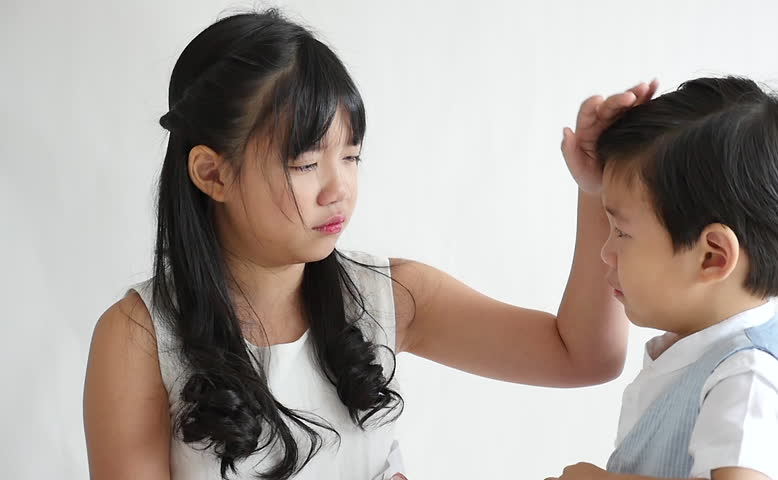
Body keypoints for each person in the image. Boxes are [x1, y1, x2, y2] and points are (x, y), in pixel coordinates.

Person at [82, 9, 651, 480]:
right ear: (212, 174)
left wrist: (597, 191)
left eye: (351, 156)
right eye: (305, 163)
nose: (340, 189)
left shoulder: (389, 296)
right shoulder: (137, 337)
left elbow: (585, 356)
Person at [549, 76, 778, 480]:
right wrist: (596, 184)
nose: (605, 252)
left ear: (712, 257)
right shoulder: (707, 358)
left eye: (623, 232)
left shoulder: (748, 380)